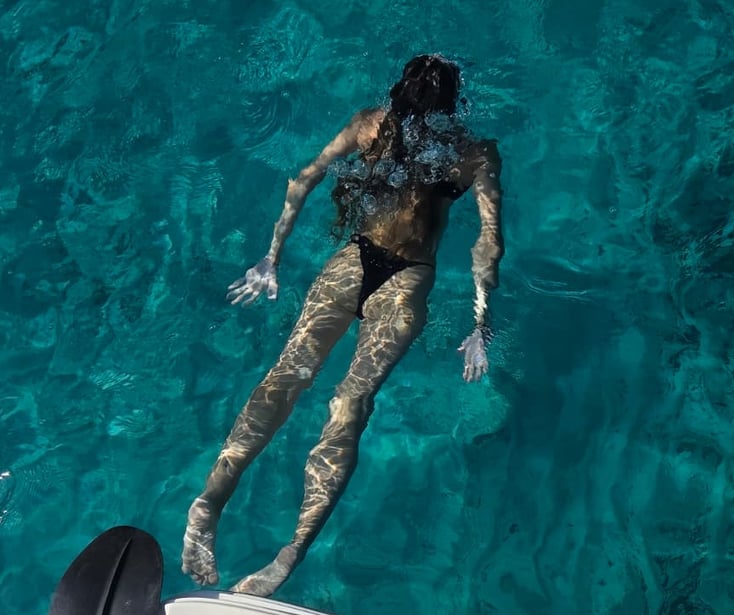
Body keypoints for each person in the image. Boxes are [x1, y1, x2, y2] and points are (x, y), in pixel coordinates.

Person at [181, 54, 504, 597]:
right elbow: (488, 245)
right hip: (403, 276)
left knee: (292, 381)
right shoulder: (469, 151)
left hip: (357, 262)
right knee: (346, 402)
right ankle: (285, 547)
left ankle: (216, 507)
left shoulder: (376, 126)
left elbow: (303, 179)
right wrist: (480, 323)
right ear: (454, 102)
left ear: (399, 89)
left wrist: (271, 257)